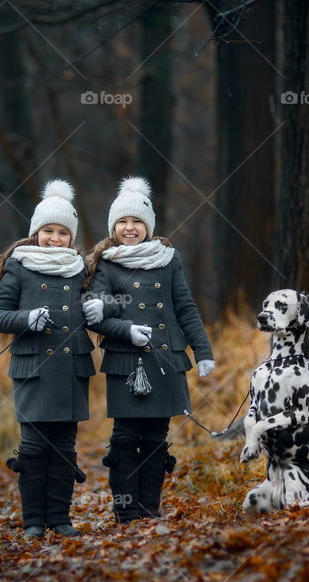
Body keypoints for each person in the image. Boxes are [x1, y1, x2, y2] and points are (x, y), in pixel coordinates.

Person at [84, 176, 214, 523]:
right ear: (114, 226)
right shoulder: (107, 262)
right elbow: (96, 311)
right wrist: (126, 330)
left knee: (157, 437)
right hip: (125, 363)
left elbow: (185, 307)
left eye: (137, 222)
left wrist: (202, 351)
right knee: (125, 437)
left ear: (148, 226)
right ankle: (126, 511)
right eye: (123, 222)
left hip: (165, 359)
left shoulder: (169, 260)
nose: (130, 228)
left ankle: (149, 509)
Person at [0, 179, 94, 538]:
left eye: (63, 232)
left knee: (64, 448)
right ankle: (32, 521)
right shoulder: (19, 266)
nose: (55, 238)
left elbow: (98, 307)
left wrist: (99, 309)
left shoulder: (81, 268)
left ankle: (60, 519)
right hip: (33, 369)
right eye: (48, 230)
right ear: (36, 231)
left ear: (70, 237)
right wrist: (25, 319)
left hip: (72, 369)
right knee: (32, 448)